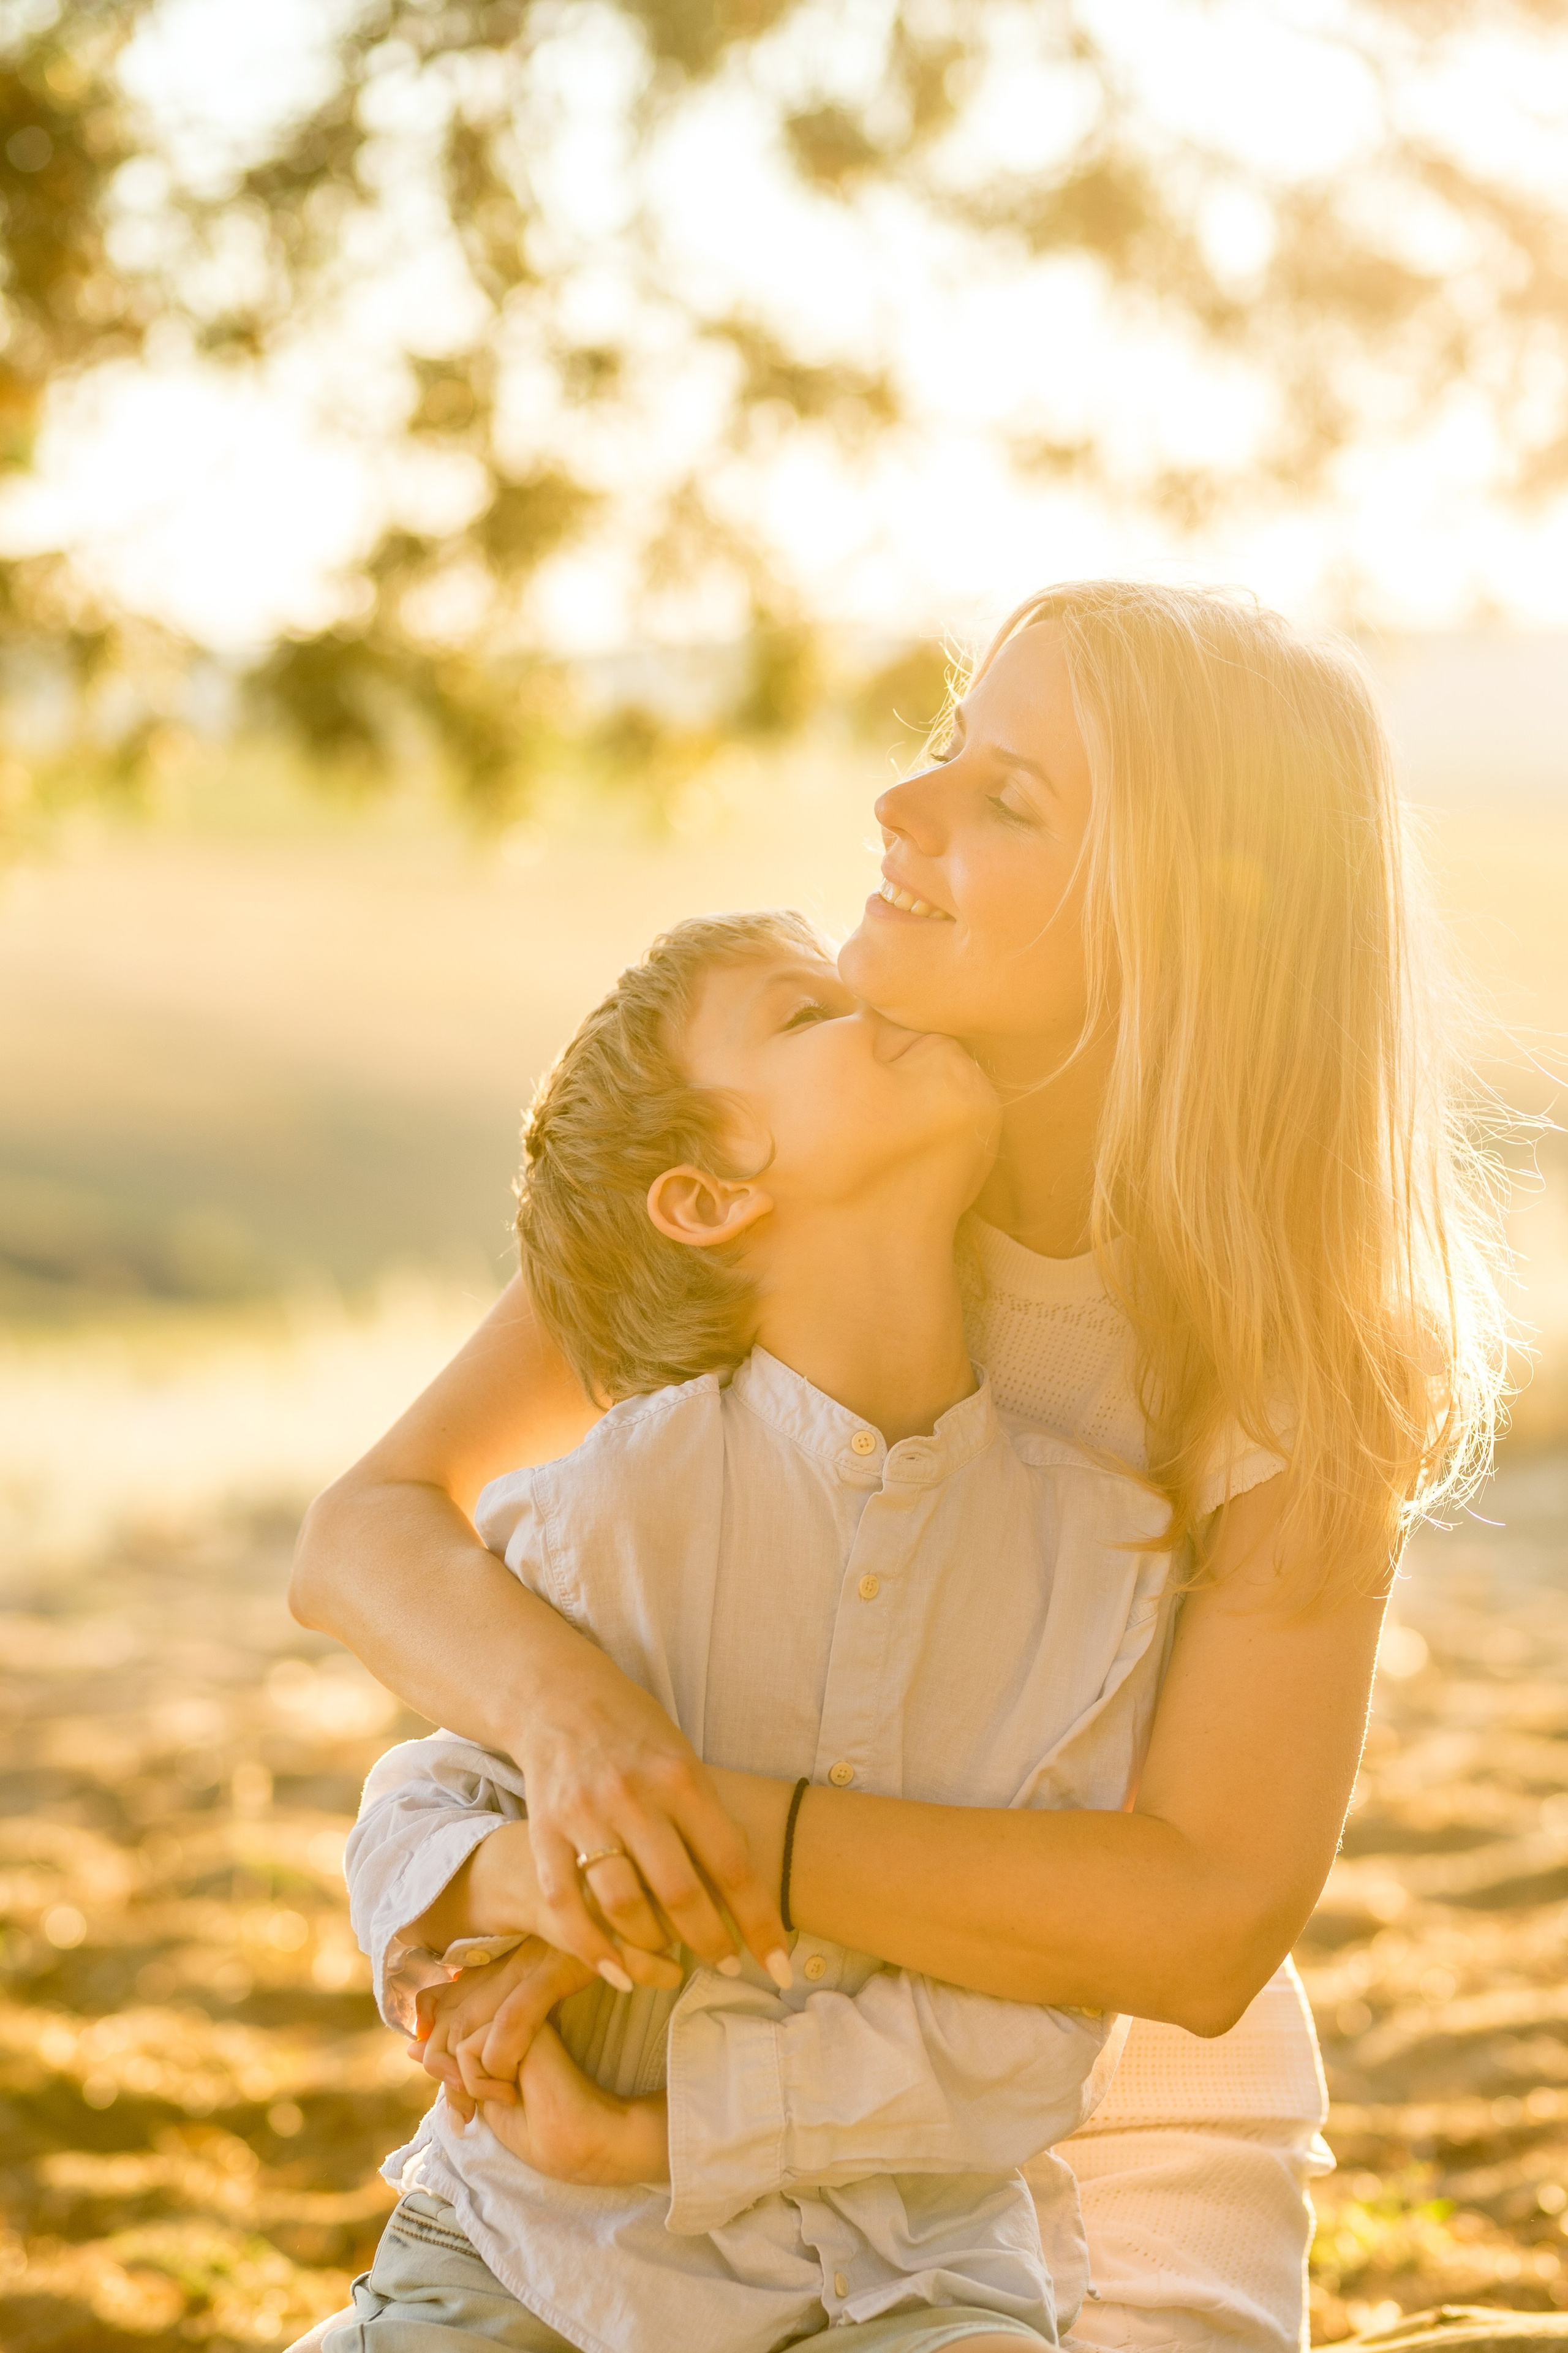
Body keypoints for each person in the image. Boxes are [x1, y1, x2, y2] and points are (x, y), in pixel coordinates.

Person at [292, 580, 1509, 2353]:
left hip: (1091, 2127)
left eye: (1008, 799)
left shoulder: (1296, 1353)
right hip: (696, 2057)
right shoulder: (803, 1187)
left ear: (1183, 931)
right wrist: (585, 1744)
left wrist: (720, 1847)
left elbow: (1202, 1913)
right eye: (949, 746)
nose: (899, 809)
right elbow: (370, 1530)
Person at [330, 904, 1183, 2353]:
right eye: (803, 1014)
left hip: (913, 2278)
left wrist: (664, 2133)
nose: (870, 996)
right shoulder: (609, 1506)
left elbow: (1034, 2041)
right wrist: (538, 1885)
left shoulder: (1094, 1557)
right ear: (708, 1194)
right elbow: (420, 1800)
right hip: (533, 2253)